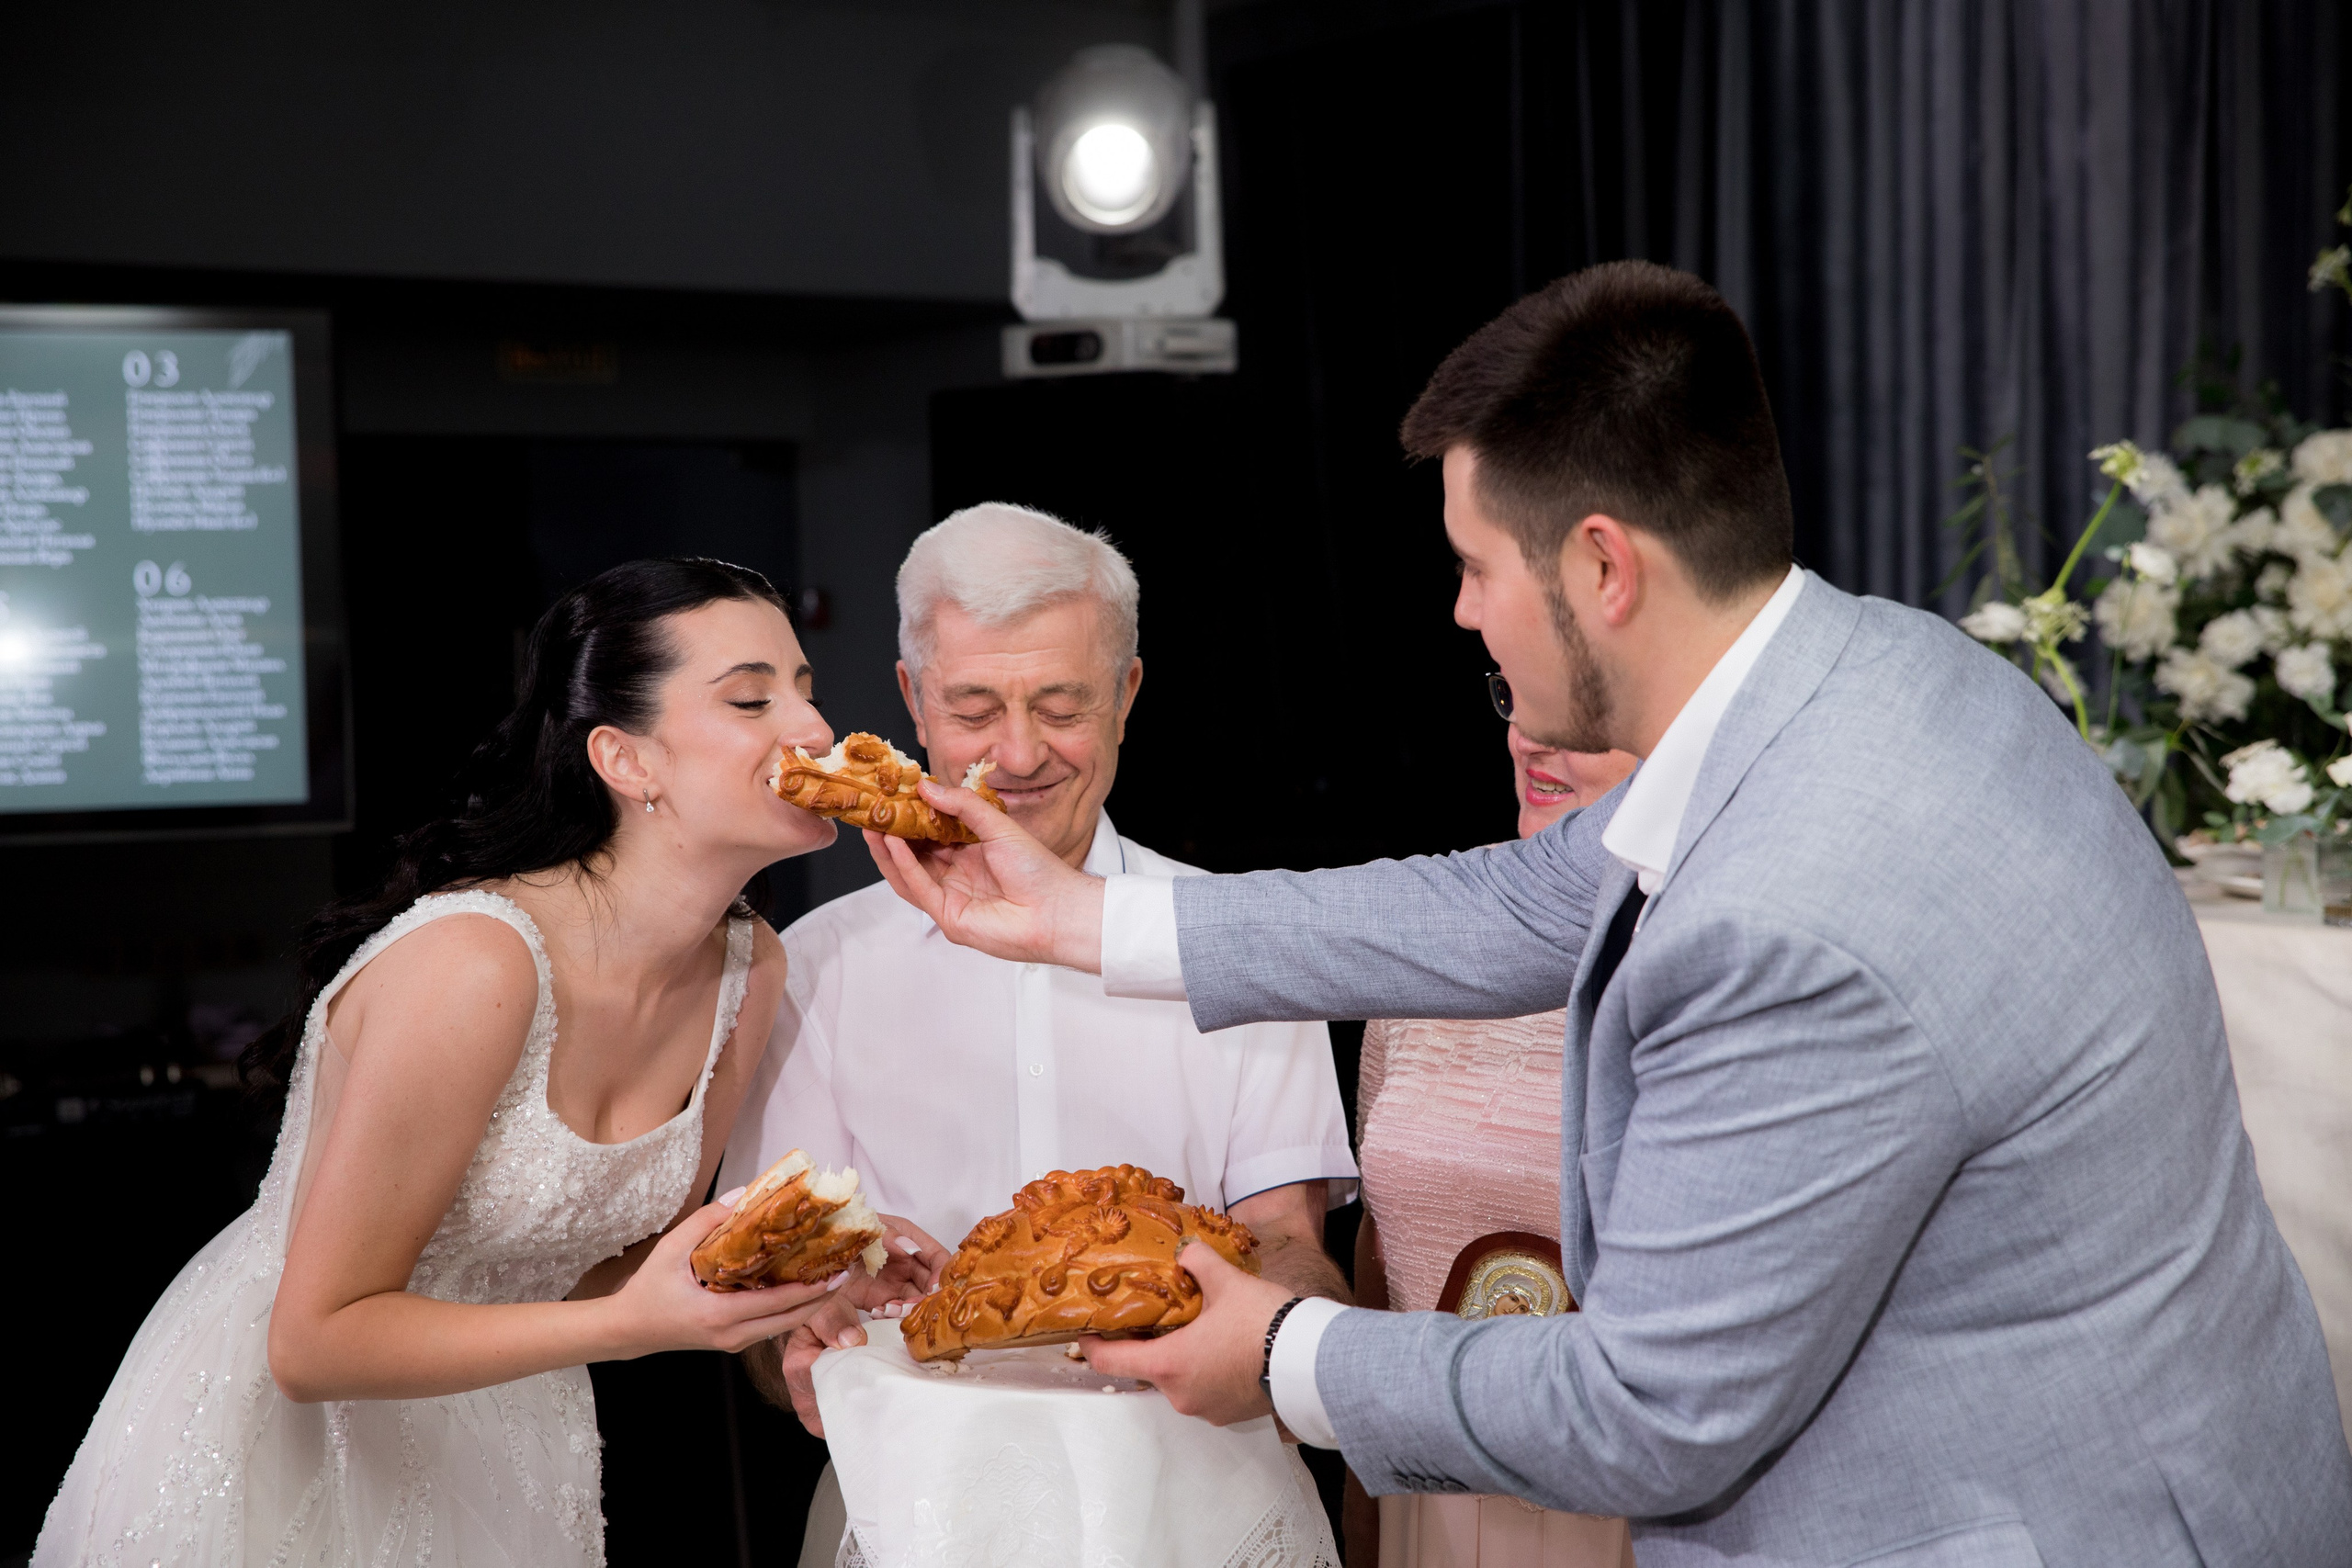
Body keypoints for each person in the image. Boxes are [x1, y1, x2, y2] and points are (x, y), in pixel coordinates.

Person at [865, 263, 2352, 1565]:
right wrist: (1086, 922)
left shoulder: (1792, 919)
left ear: (1600, 565)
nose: (1460, 614)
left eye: (1474, 566)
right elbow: (1526, 896)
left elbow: (1654, 1412)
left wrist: (1277, 1346)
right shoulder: (1879, 675)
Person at [37, 558, 946, 1567]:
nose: (815, 733)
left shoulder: (748, 967)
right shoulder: (475, 962)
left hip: (503, 1431)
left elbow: (603, 1274)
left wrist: (809, 1269)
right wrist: (640, 1322)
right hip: (290, 1435)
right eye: (750, 699)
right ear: (625, 760)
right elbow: (312, 1343)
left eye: (806, 692)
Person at [720, 503, 1358, 1566]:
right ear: (914, 701)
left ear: (1127, 697)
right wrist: (803, 1327)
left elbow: (1291, 1243)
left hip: (1205, 1506)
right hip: (913, 1516)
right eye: (974, 706)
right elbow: (761, 1307)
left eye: (1060, 704)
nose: (1017, 754)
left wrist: (1275, 1324)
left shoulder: (1241, 943)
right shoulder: (813, 967)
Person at [1345, 721, 1635, 1568]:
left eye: (1586, 714)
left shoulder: (1730, 967)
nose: (1536, 742)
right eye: (1522, 700)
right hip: (1424, 1498)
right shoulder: (1434, 948)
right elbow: (1379, 1257)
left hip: (1647, 1515)